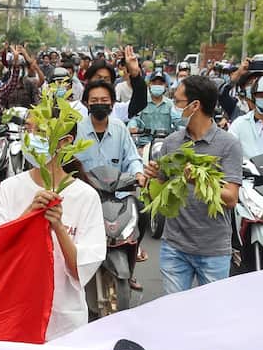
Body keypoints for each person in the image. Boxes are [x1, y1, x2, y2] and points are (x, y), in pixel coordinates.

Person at [0, 113, 105, 340]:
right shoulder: (10, 188)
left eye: (40, 132)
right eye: (28, 129)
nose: (30, 137)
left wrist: (59, 227)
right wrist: (28, 215)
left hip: (65, 323)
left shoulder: (86, 196)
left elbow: (82, 271)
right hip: (13, 316)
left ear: (66, 142)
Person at [138, 75, 242, 294]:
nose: (174, 107)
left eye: (178, 102)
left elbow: (231, 198)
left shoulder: (228, 144)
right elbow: (161, 192)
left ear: (195, 105)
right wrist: (152, 177)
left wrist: (199, 181)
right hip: (174, 246)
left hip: (213, 249)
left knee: (211, 318)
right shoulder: (172, 142)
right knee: (175, 315)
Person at [76, 79, 147, 289]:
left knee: (142, 212)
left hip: (116, 196)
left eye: (104, 100)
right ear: (86, 103)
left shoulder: (119, 129)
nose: (100, 104)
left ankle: (132, 261)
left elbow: (132, 157)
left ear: (112, 103)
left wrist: (139, 174)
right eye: (94, 100)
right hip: (84, 196)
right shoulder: (75, 129)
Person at [129, 70, 182, 137]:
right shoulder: (142, 102)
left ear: (165, 85)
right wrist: (132, 126)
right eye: (154, 83)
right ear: (149, 84)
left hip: (164, 142)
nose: (157, 85)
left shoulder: (170, 104)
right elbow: (135, 119)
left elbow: (177, 122)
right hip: (144, 142)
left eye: (160, 84)